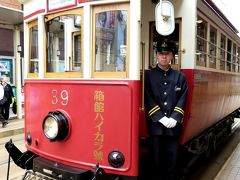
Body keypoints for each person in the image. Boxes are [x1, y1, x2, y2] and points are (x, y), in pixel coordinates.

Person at [144, 39, 188, 180]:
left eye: (167, 53)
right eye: (161, 53)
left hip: (173, 128)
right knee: (155, 160)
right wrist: (160, 117)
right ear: (156, 55)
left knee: (172, 161)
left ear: (172, 56)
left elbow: (183, 98)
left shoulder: (180, 77)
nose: (164, 56)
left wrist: (174, 117)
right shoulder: (148, 76)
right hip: (156, 126)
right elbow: (147, 97)